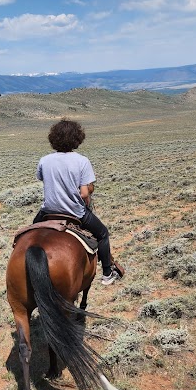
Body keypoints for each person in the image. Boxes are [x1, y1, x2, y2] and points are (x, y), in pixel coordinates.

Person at [33, 119, 124, 285]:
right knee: (103, 233)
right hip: (75, 212)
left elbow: (42, 178)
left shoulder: (44, 160)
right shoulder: (82, 161)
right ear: (77, 139)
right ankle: (107, 273)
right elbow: (84, 193)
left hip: (48, 211)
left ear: (53, 138)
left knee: (31, 233)